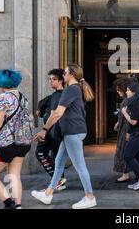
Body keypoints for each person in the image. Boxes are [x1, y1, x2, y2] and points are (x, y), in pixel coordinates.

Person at [31, 64, 97, 209]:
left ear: (71, 74)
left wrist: (44, 130)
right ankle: (48, 193)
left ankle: (90, 197)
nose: (64, 74)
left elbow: (57, 113)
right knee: (59, 163)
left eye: (66, 72)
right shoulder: (76, 89)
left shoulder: (71, 90)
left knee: (80, 166)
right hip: (72, 132)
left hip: (73, 132)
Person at [0, 69, 31, 209]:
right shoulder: (23, 97)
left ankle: (8, 203)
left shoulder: (3, 97)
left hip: (6, 144)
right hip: (22, 142)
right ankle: (18, 205)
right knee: (14, 175)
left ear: (1, 81)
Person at [35, 69, 67, 191]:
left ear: (61, 81)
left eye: (53, 79)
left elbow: (55, 114)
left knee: (40, 153)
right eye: (49, 79)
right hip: (58, 131)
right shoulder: (59, 95)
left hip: (52, 131)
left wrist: (44, 130)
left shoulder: (58, 95)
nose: (50, 82)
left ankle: (57, 180)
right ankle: (59, 182)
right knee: (56, 158)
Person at [121, 81, 139, 190]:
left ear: (133, 92)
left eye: (128, 90)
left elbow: (133, 121)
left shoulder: (134, 103)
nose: (126, 92)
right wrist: (129, 132)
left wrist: (124, 113)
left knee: (127, 155)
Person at [113, 77, 136, 183]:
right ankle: (128, 173)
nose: (117, 92)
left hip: (126, 130)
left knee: (123, 152)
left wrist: (127, 132)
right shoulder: (127, 100)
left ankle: (125, 174)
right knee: (125, 152)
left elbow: (129, 117)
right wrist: (118, 122)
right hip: (123, 128)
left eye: (118, 89)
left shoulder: (127, 101)